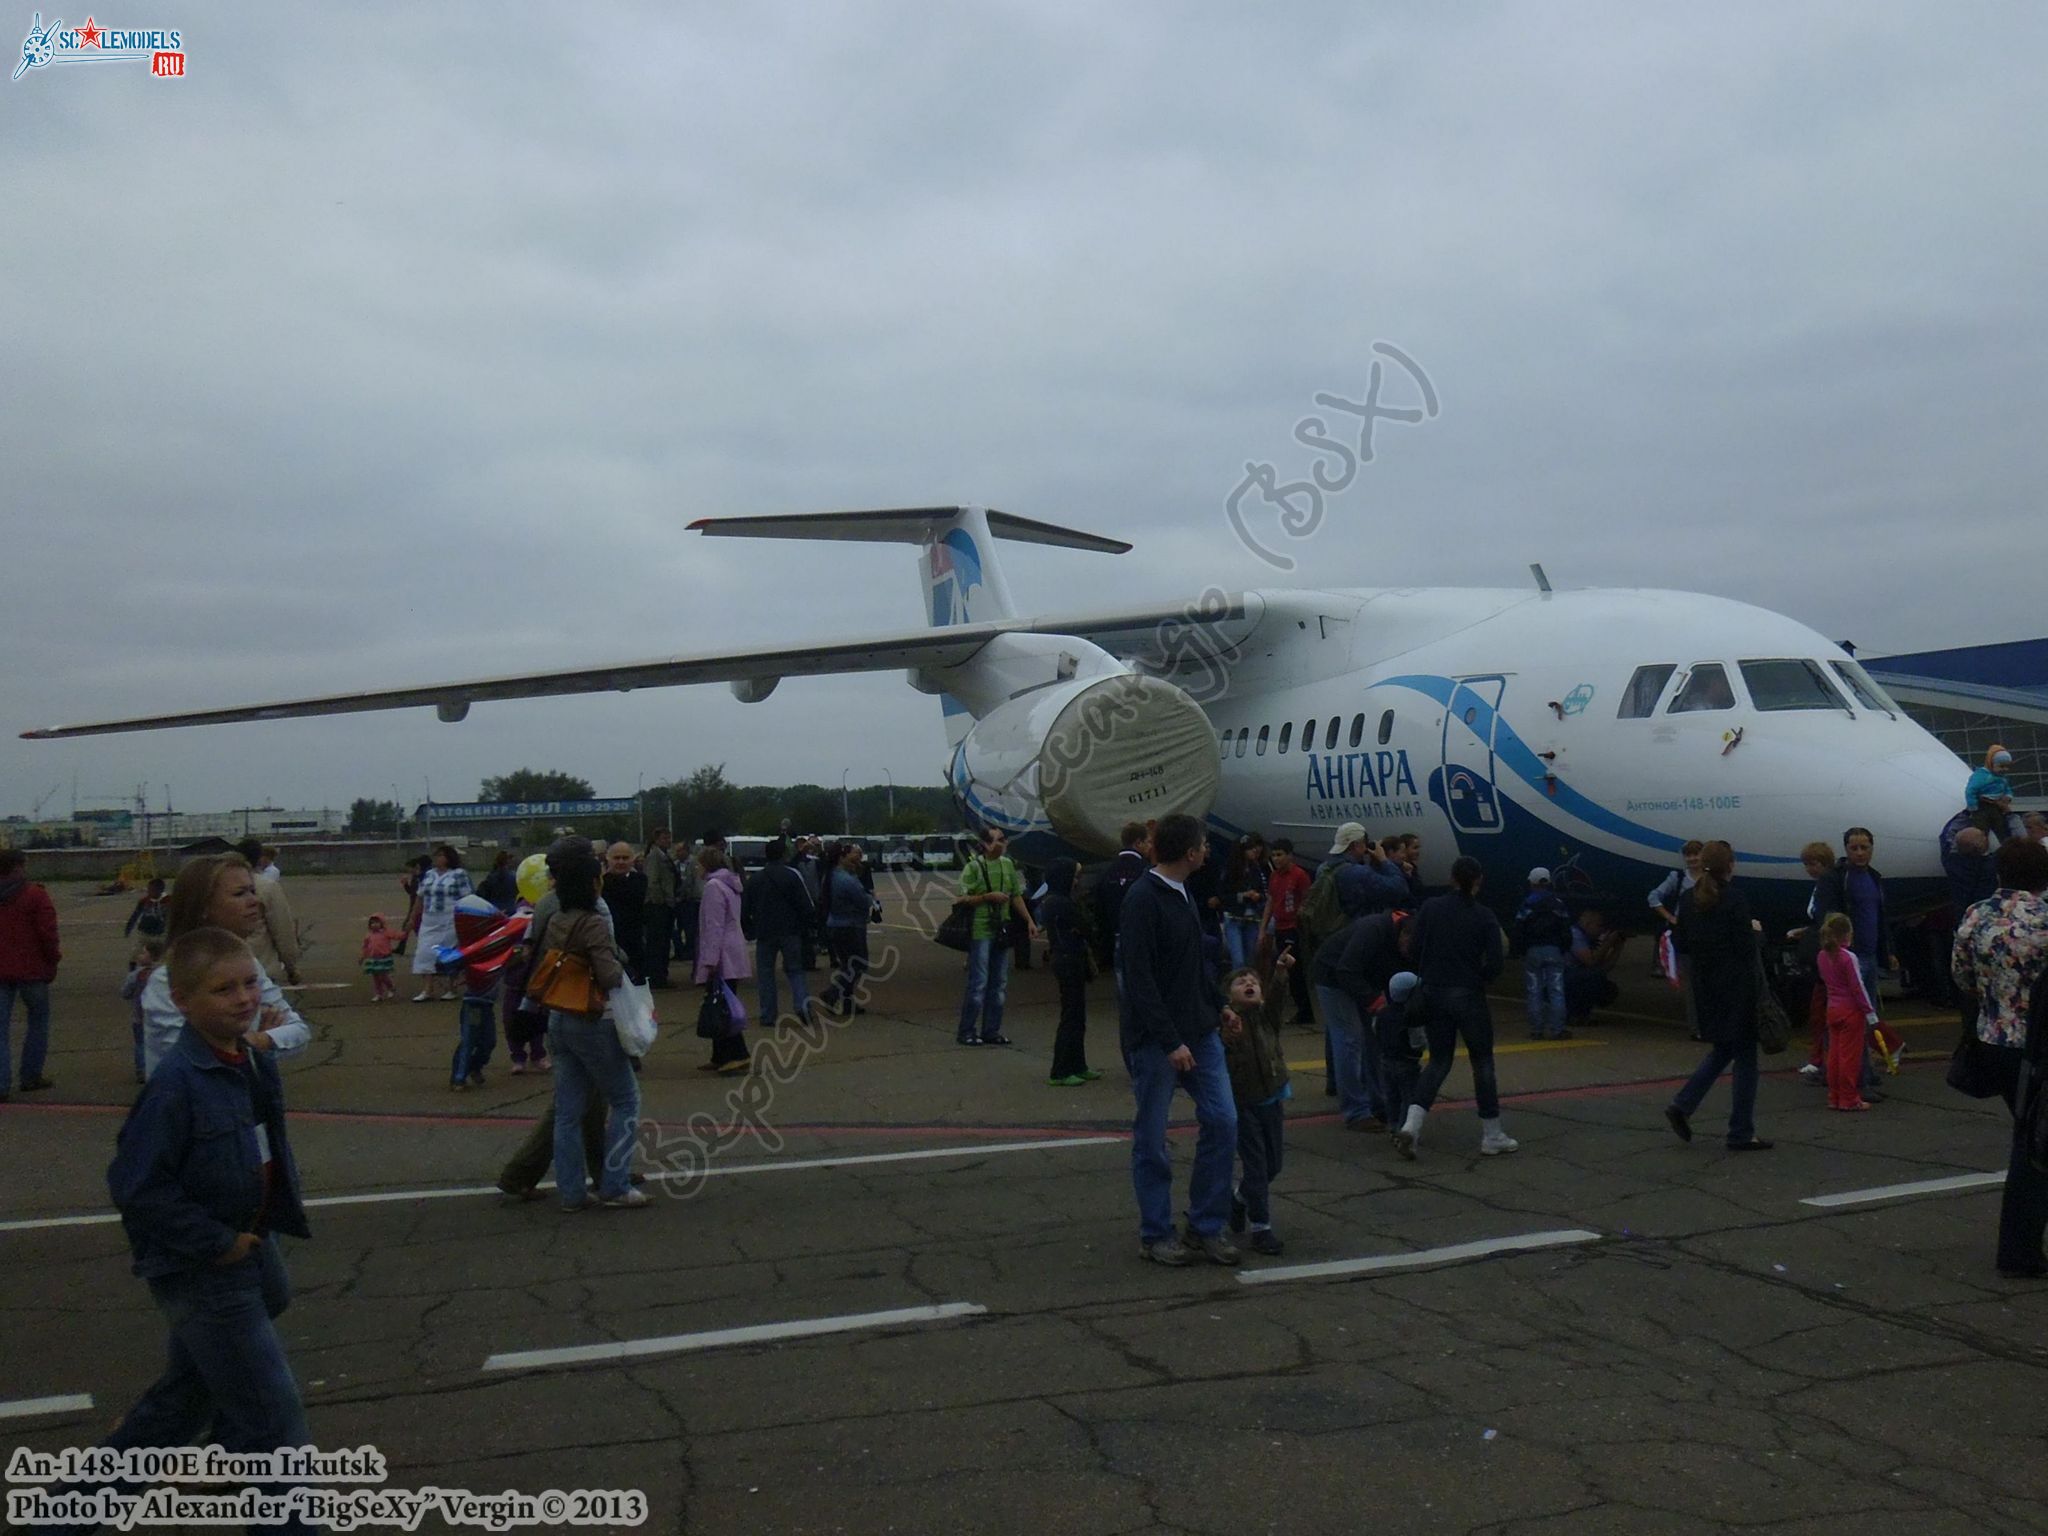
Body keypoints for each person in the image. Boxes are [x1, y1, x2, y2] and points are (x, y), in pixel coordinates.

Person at [96, 927, 314, 1514]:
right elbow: (136, 1187)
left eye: (249, 984)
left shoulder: (250, 1060)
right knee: (278, 1431)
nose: (244, 999)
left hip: (249, 1247)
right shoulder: (177, 1086)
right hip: (205, 1268)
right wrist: (217, 1242)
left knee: (175, 1409)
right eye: (223, 990)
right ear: (185, 1002)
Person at [1119, 812, 1241, 1266]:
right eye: (1204, 845)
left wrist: (1219, 1005)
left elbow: (1190, 967)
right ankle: (1156, 1233)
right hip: (1157, 1041)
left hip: (1199, 1031)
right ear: (1190, 853)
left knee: (1224, 1122)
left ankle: (1206, 1224)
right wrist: (1171, 1042)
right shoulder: (1142, 900)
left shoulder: (1182, 893)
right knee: (1152, 1138)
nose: (1207, 851)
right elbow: (1141, 980)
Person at [1950, 836, 2048, 1278]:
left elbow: (1961, 975)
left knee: (2030, 1138)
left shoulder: (1977, 913)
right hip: (2039, 1046)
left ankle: (2021, 1245)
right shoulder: (2044, 919)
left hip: (1993, 1041)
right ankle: (2019, 1249)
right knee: (2033, 1149)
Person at [534, 842, 645, 1209]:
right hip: (591, 1018)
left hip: (559, 1016)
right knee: (626, 1100)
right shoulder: (594, 921)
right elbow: (609, 975)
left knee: (567, 1111)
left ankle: (571, 1192)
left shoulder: (556, 917)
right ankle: (614, 1183)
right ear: (593, 883)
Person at [142, 854, 310, 1077]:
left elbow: (299, 1032)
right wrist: (259, 1041)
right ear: (202, 907)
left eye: (252, 891)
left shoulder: (249, 965)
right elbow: (195, 1058)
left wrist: (258, 1040)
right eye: (240, 894)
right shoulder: (167, 979)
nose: (254, 901)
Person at [1396, 857, 1516, 1158]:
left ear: (1451, 878)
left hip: (1434, 991)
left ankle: (1412, 1125)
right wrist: (1479, 978)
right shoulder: (1484, 916)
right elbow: (1497, 961)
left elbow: (1413, 949)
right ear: (1478, 881)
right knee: (1482, 1062)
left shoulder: (1431, 908)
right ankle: (1492, 1133)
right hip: (1468, 994)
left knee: (1438, 1061)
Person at [1664, 841, 1773, 1151]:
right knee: (1747, 1059)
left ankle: (1683, 1104)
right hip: (1737, 987)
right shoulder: (1734, 898)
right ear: (1731, 866)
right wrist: (1756, 931)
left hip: (1707, 987)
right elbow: (1746, 947)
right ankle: (1740, 1130)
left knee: (1723, 1050)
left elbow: (1681, 942)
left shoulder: (1688, 899)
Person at [1311, 906, 1406, 1129]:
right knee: (1348, 1038)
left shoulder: (1402, 936)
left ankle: (1377, 1101)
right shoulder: (1373, 929)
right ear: (1403, 935)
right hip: (1332, 976)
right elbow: (1346, 969)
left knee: (1372, 1039)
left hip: (1360, 979)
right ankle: (1356, 1111)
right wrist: (1373, 1000)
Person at [1221, 960, 1291, 1255]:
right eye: (1241, 982)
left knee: (1273, 1164)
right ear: (1228, 996)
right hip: (1243, 1102)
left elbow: (1277, 998)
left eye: (1253, 981)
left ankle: (1237, 1200)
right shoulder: (1226, 1024)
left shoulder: (1266, 1016)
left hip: (1271, 1098)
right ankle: (1261, 1228)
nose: (1249, 984)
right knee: (1257, 1167)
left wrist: (1279, 973)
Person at [957, 828, 1035, 1047]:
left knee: (999, 983)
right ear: (985, 844)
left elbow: (1015, 895)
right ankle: (967, 1030)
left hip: (1001, 928)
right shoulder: (973, 867)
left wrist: (1028, 920)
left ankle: (991, 1030)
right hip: (980, 930)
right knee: (979, 982)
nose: (1002, 843)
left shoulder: (1007, 865)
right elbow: (961, 898)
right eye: (998, 840)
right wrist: (986, 897)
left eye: (1003, 839)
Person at [0, 847, 61, 1101]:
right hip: (32, 970)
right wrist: (52, 961)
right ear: (17, 866)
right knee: (38, 1022)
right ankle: (30, 1075)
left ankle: (2, 1083)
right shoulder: (35, 895)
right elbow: (48, 933)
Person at [1039, 858, 1099, 1086]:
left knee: (1077, 1015)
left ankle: (1077, 1063)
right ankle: (1061, 1070)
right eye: (1074, 877)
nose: (1077, 881)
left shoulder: (1057, 901)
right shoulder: (1060, 903)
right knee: (1071, 1016)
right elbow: (1085, 926)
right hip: (1067, 959)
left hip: (1070, 957)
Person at [743, 838, 814, 1026]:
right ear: (784, 855)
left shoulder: (756, 879)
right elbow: (805, 905)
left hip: (765, 931)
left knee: (766, 974)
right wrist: (807, 926)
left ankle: (768, 1014)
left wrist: (749, 930)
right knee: (796, 970)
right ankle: (802, 1006)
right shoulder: (792, 875)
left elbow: (745, 908)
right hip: (790, 930)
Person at [695, 845, 753, 1073]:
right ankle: (720, 1054)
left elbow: (714, 926)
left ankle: (737, 1053)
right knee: (721, 1000)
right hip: (733, 948)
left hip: (722, 954)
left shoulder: (712, 887)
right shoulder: (730, 885)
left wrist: (709, 960)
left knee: (723, 1005)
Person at [1815, 912, 1880, 1112]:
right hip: (1850, 1010)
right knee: (1849, 1057)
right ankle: (1850, 1098)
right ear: (1846, 935)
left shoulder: (1822, 956)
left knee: (1833, 1055)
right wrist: (1870, 1013)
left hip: (1832, 1008)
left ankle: (1834, 1096)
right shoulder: (1848, 957)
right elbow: (1857, 987)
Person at [1258, 838, 1315, 1025]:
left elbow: (1307, 900)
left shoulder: (1299, 875)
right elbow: (1271, 902)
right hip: (1280, 926)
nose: (1276, 859)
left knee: (1295, 970)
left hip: (1294, 927)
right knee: (1286, 970)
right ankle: (1301, 1008)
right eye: (1274, 855)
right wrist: (1263, 928)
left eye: (1280, 855)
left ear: (1289, 855)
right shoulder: (1275, 877)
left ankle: (1305, 1011)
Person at [1513, 868, 1574, 1041]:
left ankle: (1536, 1029)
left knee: (1534, 991)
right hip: (1554, 950)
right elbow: (1566, 930)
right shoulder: (1558, 904)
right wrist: (1563, 948)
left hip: (1532, 950)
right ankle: (1557, 1029)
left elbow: (1518, 929)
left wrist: (1520, 949)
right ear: (1548, 882)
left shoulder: (1527, 904)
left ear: (1531, 883)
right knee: (1556, 990)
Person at [235, 837, 303, 988]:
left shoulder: (220, 886)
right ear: (258, 858)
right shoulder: (268, 887)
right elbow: (283, 930)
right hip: (261, 969)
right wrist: (291, 967)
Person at [409, 845, 472, 1002]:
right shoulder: (429, 875)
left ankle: (452, 987)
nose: (437, 858)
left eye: (441, 855)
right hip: (429, 919)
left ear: (449, 858)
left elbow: (467, 898)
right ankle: (427, 989)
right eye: (436, 855)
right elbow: (420, 897)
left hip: (450, 919)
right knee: (424, 953)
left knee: (447, 954)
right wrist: (412, 917)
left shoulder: (459, 874)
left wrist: (466, 918)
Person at [819, 842, 875, 1017]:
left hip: (836, 924)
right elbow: (863, 899)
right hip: (850, 926)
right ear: (841, 858)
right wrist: (869, 898)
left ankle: (847, 1002)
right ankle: (832, 993)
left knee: (847, 964)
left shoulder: (831, 876)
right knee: (858, 964)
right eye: (850, 855)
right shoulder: (845, 879)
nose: (855, 859)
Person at [1092, 822, 1151, 976]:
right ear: (1138, 843)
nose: (1150, 847)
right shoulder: (1146, 871)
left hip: (1114, 934)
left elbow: (1099, 908)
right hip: (1141, 935)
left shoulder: (1106, 872)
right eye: (1148, 842)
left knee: (1123, 982)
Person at [1563, 907, 1625, 1030]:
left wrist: (1618, 947)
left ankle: (1581, 1014)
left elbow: (1604, 968)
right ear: (1587, 924)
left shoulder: (1587, 938)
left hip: (1573, 978)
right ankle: (1571, 1014)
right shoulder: (1575, 935)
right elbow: (1591, 961)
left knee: (1603, 984)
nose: (1601, 930)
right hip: (1562, 978)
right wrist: (1608, 942)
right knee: (1591, 979)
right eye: (1599, 926)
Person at [1330, 822, 1409, 918]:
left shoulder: (1325, 868)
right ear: (1356, 845)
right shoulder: (1359, 873)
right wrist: (1384, 860)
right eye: (1365, 842)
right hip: (1357, 925)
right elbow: (1400, 889)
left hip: (1333, 925)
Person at [1218, 833, 1269, 972]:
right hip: (1234, 917)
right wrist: (1243, 896)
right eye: (1250, 849)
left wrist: (1258, 896)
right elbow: (1223, 895)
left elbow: (1264, 892)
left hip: (1252, 918)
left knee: (1251, 960)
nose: (1254, 851)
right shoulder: (1230, 869)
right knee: (1238, 960)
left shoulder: (1257, 870)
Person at [121, 935, 166, 1085]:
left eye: (143, 953)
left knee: (140, 1044)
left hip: (139, 1016)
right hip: (158, 1016)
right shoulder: (165, 973)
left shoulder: (136, 975)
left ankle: (141, 1069)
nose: (139, 955)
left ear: (152, 956)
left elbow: (125, 993)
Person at [601, 841, 649, 985]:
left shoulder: (641, 880)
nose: (621, 861)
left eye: (625, 858)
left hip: (635, 941)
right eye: (617, 858)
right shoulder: (601, 883)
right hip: (610, 940)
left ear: (632, 860)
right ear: (608, 859)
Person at [641, 828, 677, 988]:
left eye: (669, 838)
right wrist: (660, 901)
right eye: (664, 838)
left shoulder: (664, 856)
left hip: (666, 904)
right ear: (656, 840)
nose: (668, 841)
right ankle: (657, 977)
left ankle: (661, 974)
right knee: (657, 943)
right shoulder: (654, 857)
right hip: (658, 906)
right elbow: (652, 881)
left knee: (663, 943)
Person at [1966, 745, 2022, 840]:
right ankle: (1982, 847)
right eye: (2001, 766)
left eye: (2007, 767)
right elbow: (1971, 790)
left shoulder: (2001, 778)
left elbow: (2006, 788)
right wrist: (1973, 806)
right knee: (1981, 830)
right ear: (1991, 763)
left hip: (1997, 807)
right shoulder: (1981, 776)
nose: (2004, 769)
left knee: (2001, 828)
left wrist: (2008, 796)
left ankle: (2005, 846)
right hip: (1982, 806)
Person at [674, 835, 704, 966]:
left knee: (690, 928)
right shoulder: (674, 864)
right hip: (677, 900)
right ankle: (679, 951)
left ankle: (690, 951)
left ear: (687, 851)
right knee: (676, 928)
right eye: (677, 850)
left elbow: (691, 882)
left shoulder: (693, 863)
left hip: (689, 900)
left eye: (680, 850)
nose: (678, 853)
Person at [360, 913, 400, 1002]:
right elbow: (365, 947)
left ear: (382, 923)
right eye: (372, 923)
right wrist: (362, 957)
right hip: (373, 958)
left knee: (383, 975)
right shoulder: (368, 935)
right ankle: (379, 993)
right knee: (375, 977)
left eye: (377, 922)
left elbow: (396, 936)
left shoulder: (386, 933)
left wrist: (405, 933)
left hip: (384, 957)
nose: (374, 925)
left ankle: (391, 987)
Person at [477, 850, 519, 914]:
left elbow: (483, 894)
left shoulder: (491, 877)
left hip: (494, 910)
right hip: (511, 909)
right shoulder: (514, 877)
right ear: (508, 862)